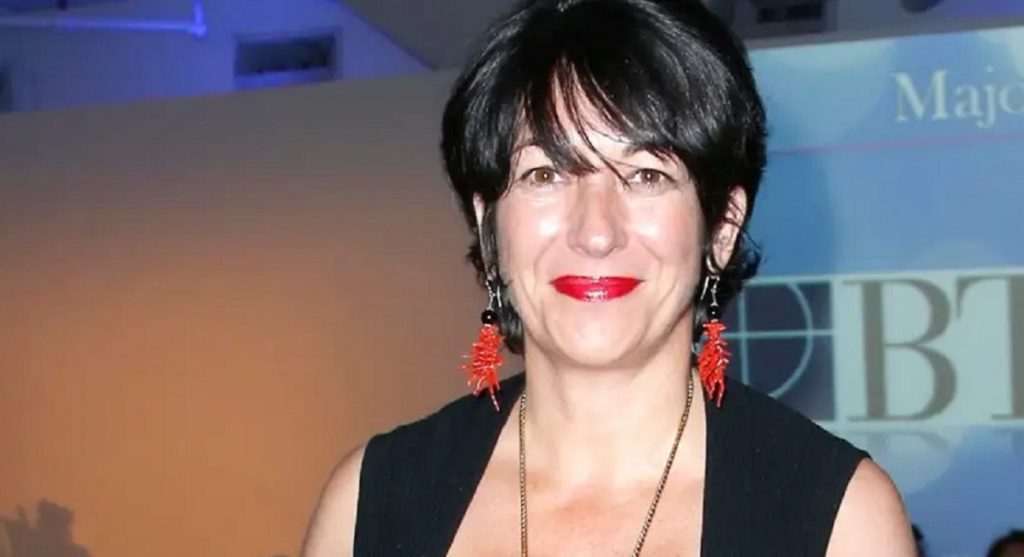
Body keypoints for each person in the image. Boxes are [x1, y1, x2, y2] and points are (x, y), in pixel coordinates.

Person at [302, 0, 915, 555]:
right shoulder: (371, 504)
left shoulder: (840, 520)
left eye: (646, 176)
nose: (596, 232)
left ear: (722, 229)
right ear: (489, 228)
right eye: (546, 175)